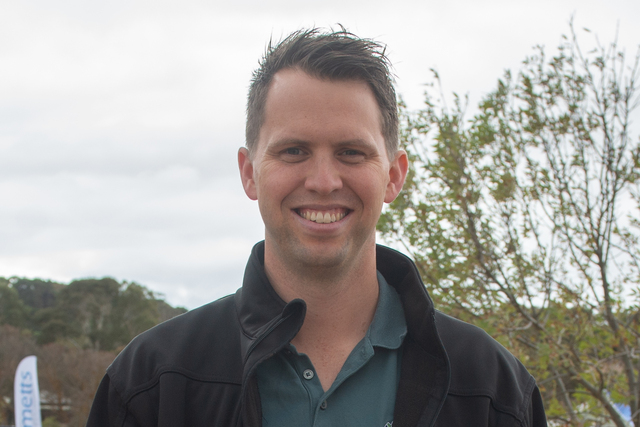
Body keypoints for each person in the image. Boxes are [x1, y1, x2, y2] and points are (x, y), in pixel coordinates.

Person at [87, 28, 547, 427]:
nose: (323, 182)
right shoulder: (153, 383)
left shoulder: (493, 391)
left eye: (351, 152)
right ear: (249, 173)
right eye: (294, 151)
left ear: (393, 176)